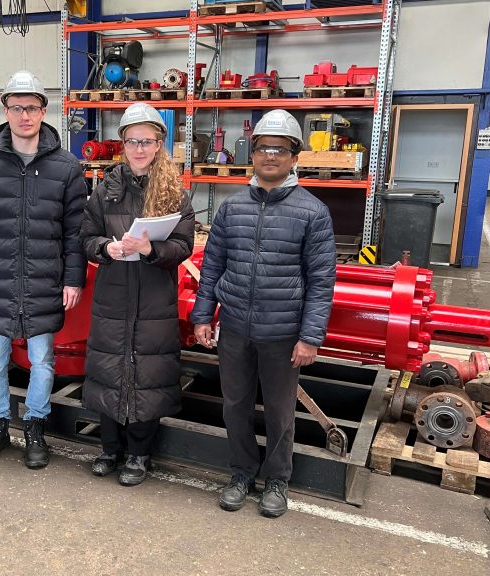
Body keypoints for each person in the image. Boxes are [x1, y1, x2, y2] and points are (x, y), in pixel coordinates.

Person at [191, 109, 336, 517]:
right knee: (234, 405)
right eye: (263, 148)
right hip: (235, 328)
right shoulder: (231, 209)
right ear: (251, 154)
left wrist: (310, 337)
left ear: (294, 157)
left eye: (280, 149)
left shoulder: (313, 213)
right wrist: (204, 316)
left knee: (279, 410)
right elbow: (213, 267)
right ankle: (241, 474)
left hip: (283, 332)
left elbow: (322, 281)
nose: (270, 155)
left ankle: (276, 480)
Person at [0, 70, 87, 470]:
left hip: (44, 280)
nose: (24, 115)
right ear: (5, 110)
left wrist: (72, 278)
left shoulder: (66, 167)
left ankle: (34, 428)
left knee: (43, 361)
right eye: (17, 107)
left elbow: (75, 231)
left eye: (32, 107)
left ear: (44, 111)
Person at [80, 102, 195, 487]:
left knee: (148, 373)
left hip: (152, 300)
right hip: (113, 296)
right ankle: (109, 450)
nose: (139, 148)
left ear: (160, 143)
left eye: (147, 141)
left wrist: (151, 251)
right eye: (132, 141)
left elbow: (183, 246)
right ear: (122, 144)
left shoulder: (174, 195)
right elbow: (85, 237)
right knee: (110, 370)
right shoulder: (105, 191)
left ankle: (140, 455)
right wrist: (105, 249)